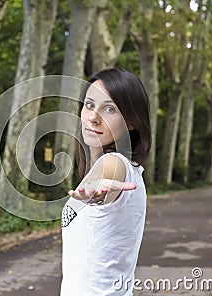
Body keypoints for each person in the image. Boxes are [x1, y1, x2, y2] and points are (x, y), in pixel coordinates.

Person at [60, 68, 151, 296]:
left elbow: (109, 179)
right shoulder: (130, 169)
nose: (93, 117)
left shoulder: (113, 163)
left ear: (131, 121)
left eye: (109, 109)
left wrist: (98, 194)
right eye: (89, 105)